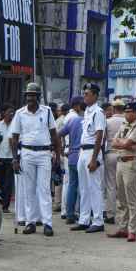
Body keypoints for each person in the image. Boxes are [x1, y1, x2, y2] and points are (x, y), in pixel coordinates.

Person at [10, 82, 61, 236]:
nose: (30, 98)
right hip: (26, 153)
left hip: (44, 154)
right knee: (28, 190)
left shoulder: (46, 112)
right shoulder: (20, 113)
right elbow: (14, 137)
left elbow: (54, 135)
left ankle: (47, 223)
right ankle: (30, 222)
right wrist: (15, 159)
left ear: (39, 97)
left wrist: (57, 155)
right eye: (28, 95)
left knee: (44, 189)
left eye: (33, 95)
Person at [107, 102, 136, 242]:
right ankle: (122, 228)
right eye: (126, 111)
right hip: (120, 161)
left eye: (130, 111)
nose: (127, 114)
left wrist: (123, 143)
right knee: (121, 198)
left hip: (131, 163)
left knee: (131, 199)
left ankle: (132, 230)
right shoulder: (124, 125)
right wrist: (123, 143)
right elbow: (113, 142)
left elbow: (126, 144)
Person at [71, 83, 106, 233]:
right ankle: (84, 219)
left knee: (94, 188)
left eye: (87, 94)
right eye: (84, 93)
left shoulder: (98, 112)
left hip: (93, 151)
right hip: (83, 151)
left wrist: (94, 159)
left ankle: (98, 221)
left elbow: (99, 136)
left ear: (95, 96)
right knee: (83, 188)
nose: (84, 96)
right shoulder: (87, 112)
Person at [58, 96, 85, 224]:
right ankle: (81, 214)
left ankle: (69, 214)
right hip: (83, 156)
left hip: (72, 156)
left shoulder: (72, 121)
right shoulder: (86, 121)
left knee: (72, 186)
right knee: (83, 187)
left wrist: (62, 148)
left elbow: (59, 134)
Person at [103, 99, 126, 224]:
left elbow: (103, 139)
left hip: (111, 153)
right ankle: (124, 215)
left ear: (113, 108)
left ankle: (110, 214)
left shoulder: (107, 122)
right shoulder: (127, 122)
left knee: (111, 186)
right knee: (124, 186)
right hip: (124, 155)